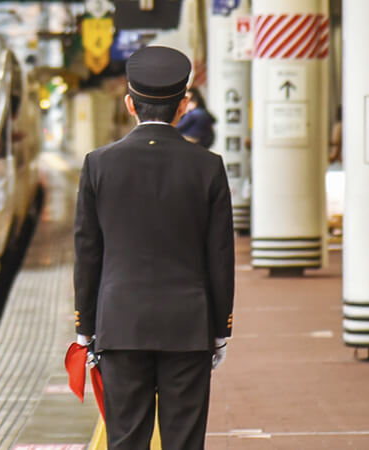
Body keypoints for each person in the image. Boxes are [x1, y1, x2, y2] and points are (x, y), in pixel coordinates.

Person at [73, 45, 235, 449]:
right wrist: (219, 330)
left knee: (125, 438)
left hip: (121, 325)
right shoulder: (208, 166)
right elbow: (220, 256)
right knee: (184, 439)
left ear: (130, 104)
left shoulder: (98, 164)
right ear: (182, 106)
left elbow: (88, 251)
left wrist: (85, 328)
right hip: (188, 326)